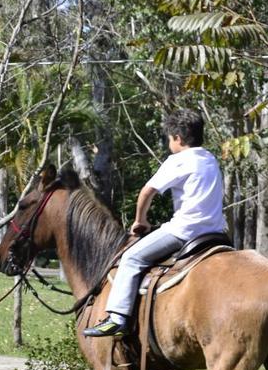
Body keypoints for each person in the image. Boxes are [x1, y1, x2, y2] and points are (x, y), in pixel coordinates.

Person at [83, 108, 226, 337]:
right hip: (216, 233)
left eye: (170, 139)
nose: (170, 143)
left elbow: (147, 192)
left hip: (185, 232)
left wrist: (141, 221)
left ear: (177, 138)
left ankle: (117, 319)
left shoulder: (178, 160)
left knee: (130, 258)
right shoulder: (210, 159)